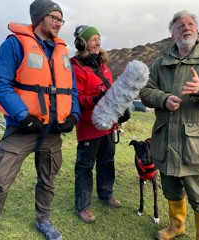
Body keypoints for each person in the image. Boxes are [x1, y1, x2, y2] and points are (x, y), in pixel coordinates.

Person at [139, 10, 199, 240]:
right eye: (180, 25)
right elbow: (145, 91)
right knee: (171, 187)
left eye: (190, 23)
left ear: (197, 30)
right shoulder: (160, 63)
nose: (186, 27)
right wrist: (163, 99)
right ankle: (176, 227)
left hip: (196, 144)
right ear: (172, 33)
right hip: (165, 140)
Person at [0, 0, 80, 239]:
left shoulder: (63, 50)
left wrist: (73, 115)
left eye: (61, 19)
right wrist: (23, 116)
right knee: (0, 179)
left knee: (48, 180)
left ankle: (44, 220)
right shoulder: (14, 44)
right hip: (22, 128)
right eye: (54, 17)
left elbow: (71, 89)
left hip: (53, 131)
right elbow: (2, 85)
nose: (58, 23)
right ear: (39, 18)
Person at [70, 25, 121, 224]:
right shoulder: (75, 67)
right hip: (88, 127)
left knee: (107, 162)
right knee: (85, 166)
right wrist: (95, 98)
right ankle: (82, 206)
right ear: (82, 43)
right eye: (93, 39)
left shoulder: (104, 66)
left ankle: (105, 194)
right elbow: (76, 98)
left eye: (99, 38)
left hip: (108, 125)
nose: (97, 42)